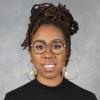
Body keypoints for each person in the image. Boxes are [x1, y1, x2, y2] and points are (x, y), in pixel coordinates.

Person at [4, 3, 97, 100]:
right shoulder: (13, 98)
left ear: (67, 51)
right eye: (40, 47)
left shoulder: (87, 98)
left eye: (56, 46)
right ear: (30, 53)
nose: (48, 54)